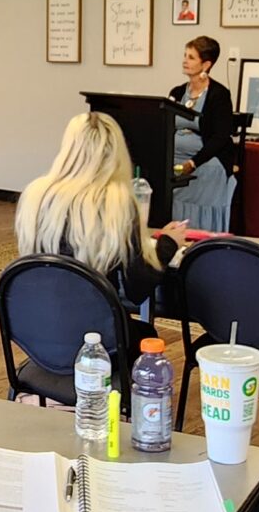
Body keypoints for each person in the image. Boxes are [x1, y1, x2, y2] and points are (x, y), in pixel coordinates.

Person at [15, 111, 188, 327]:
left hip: (38, 326)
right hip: (97, 331)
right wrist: (168, 243)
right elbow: (137, 289)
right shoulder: (117, 202)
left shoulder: (35, 194)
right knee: (145, 333)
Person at [167, 36, 234, 230]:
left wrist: (193, 162)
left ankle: (198, 231)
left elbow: (220, 137)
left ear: (206, 64)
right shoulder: (178, 92)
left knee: (205, 172)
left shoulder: (219, 95)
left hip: (206, 158)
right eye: (185, 55)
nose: (185, 61)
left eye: (191, 57)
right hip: (175, 156)